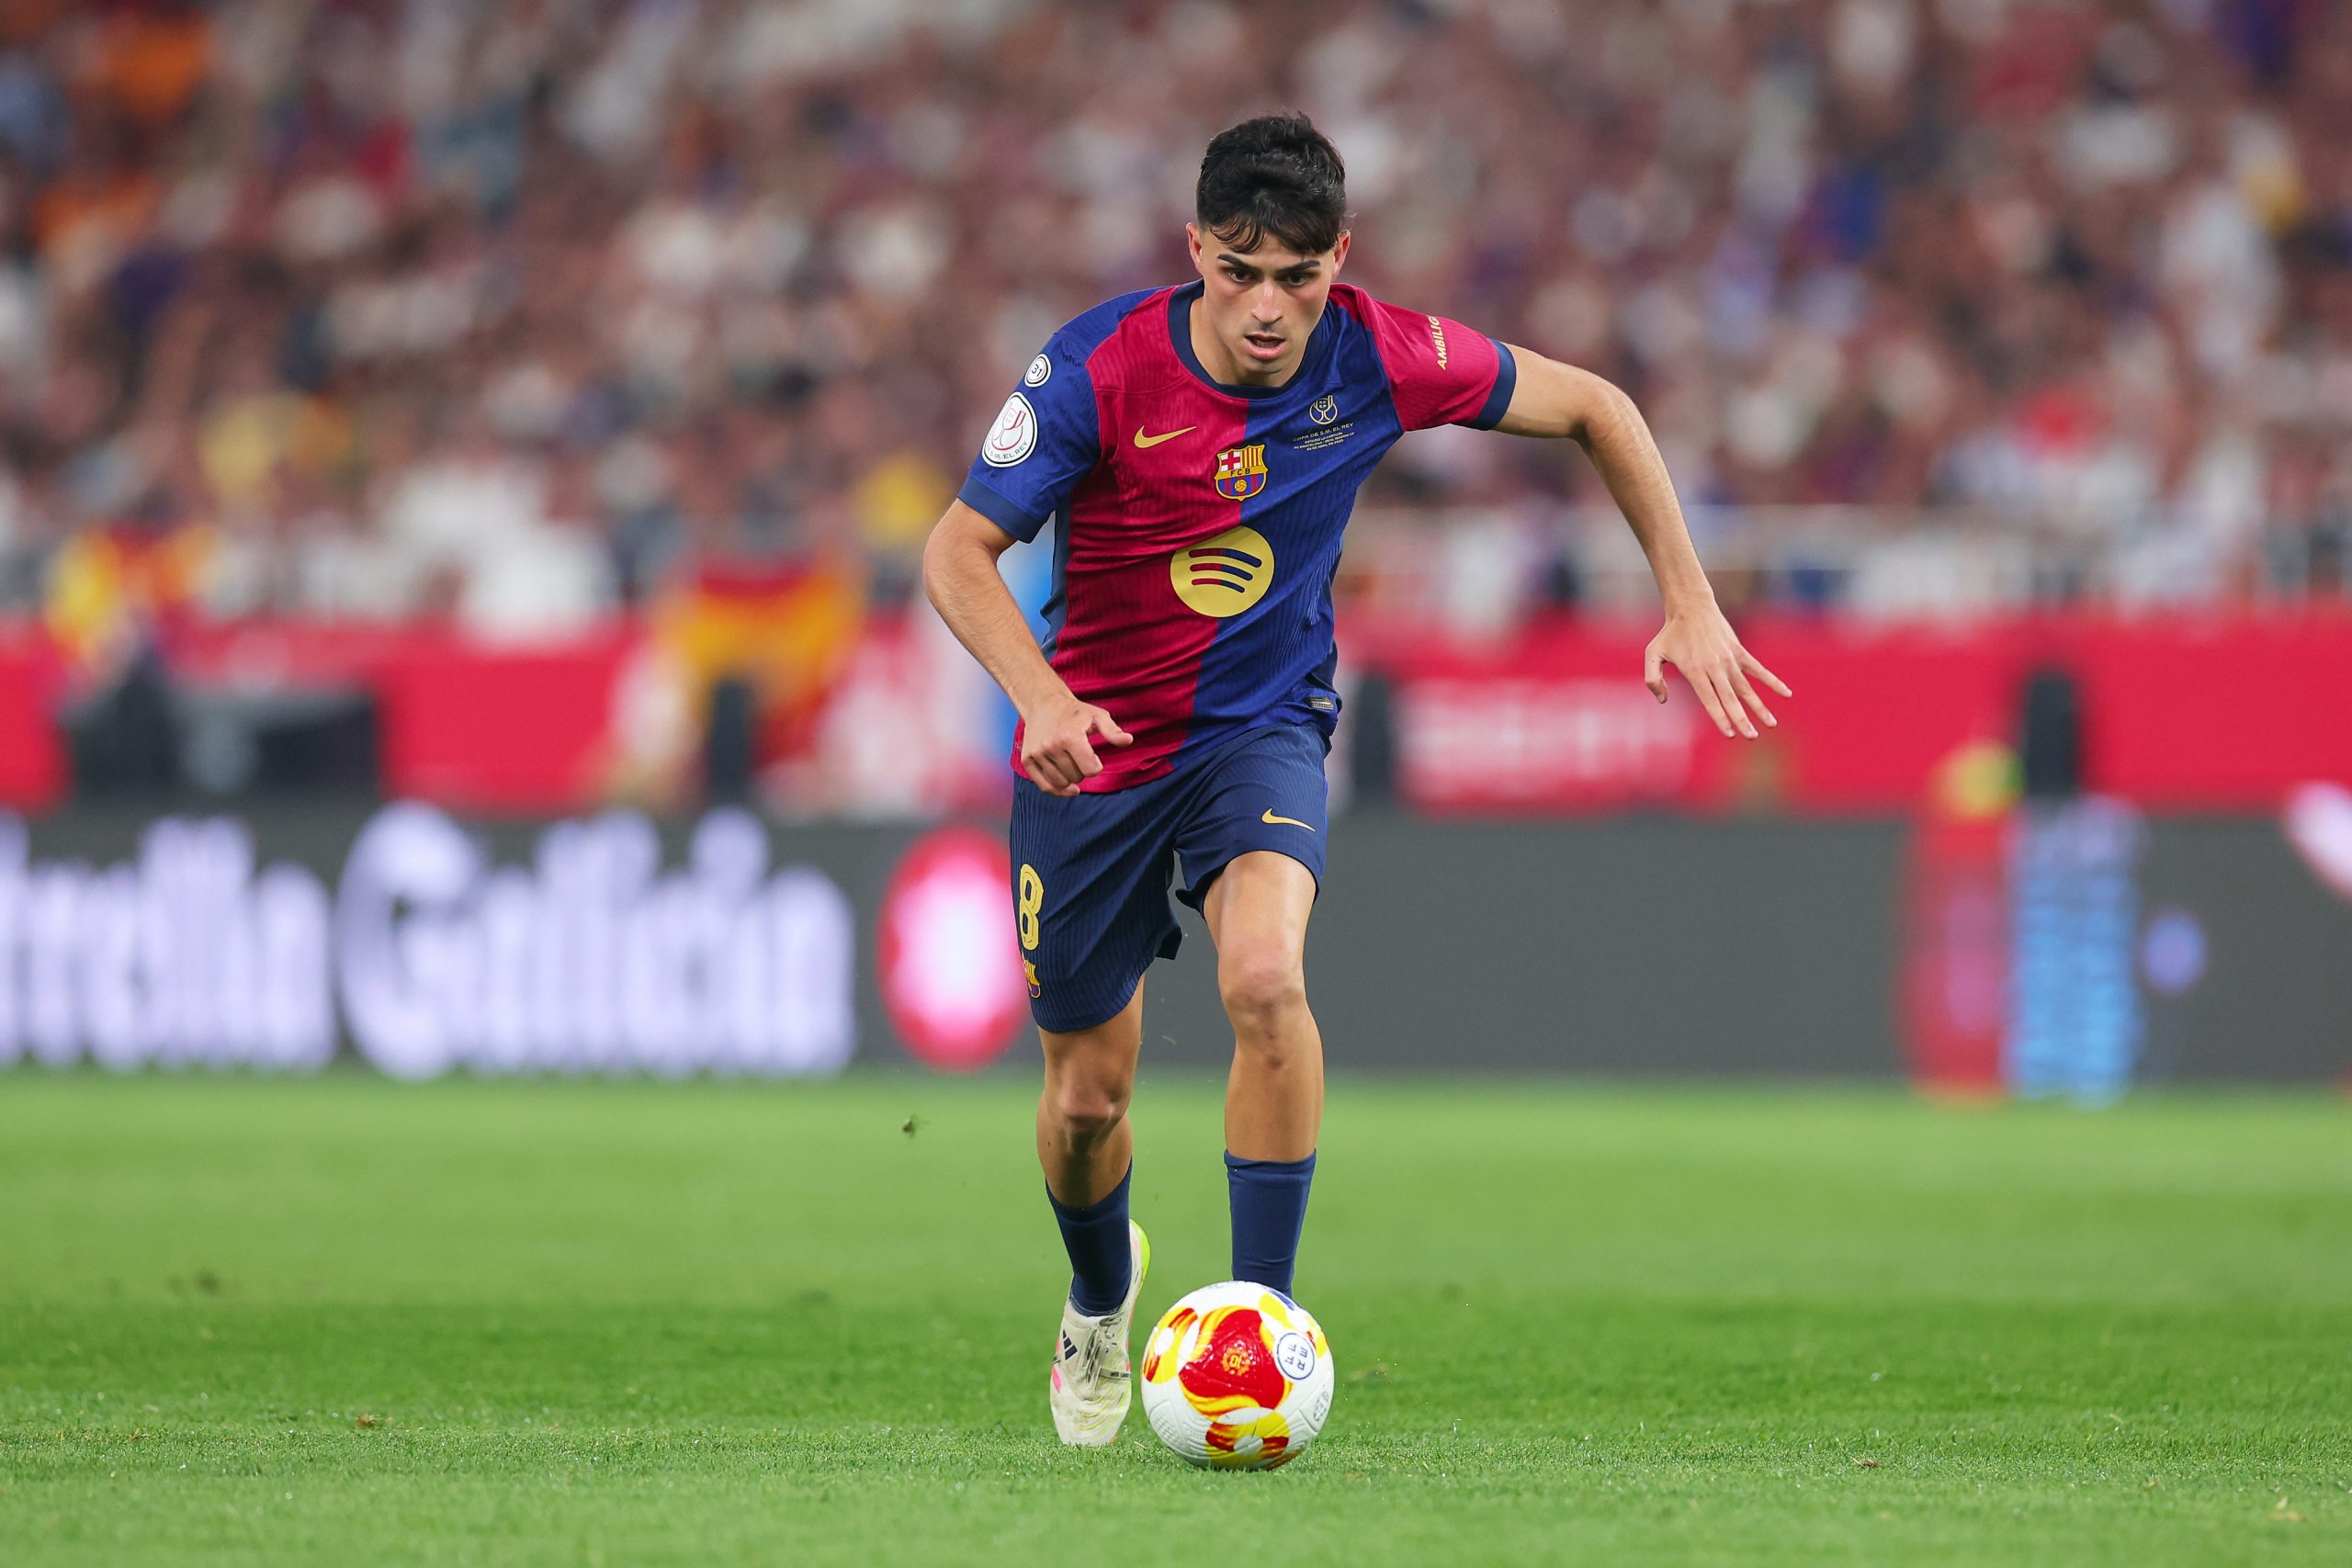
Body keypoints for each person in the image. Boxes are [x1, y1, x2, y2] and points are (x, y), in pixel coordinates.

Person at [921, 112, 1790, 1447]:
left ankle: (1259, 1329)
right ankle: (1099, 1299)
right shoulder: (1096, 366)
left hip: (1260, 728)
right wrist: (1038, 698)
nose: (1269, 309)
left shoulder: (1381, 353)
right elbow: (956, 552)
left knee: (1267, 978)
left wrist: (1689, 598)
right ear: (1194, 250)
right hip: (1094, 742)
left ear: (1341, 259)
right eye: (1241, 274)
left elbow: (1597, 407)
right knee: (1088, 1101)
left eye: (1299, 277)